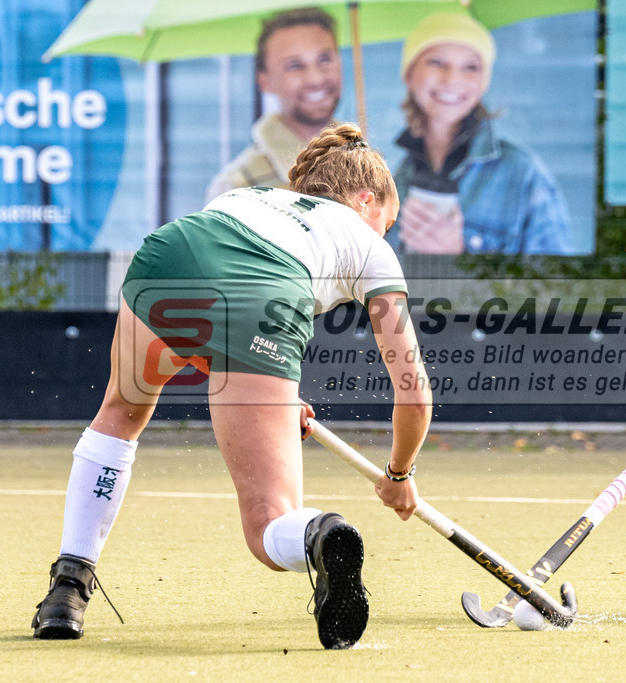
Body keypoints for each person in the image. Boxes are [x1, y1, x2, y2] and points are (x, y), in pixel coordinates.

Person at [31, 124, 433, 649]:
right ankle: (319, 533)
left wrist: (272, 394)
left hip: (168, 256)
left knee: (122, 412)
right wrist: (398, 473)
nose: (386, 234)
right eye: (388, 221)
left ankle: (68, 589)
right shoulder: (369, 249)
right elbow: (414, 391)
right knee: (269, 523)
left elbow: (211, 317)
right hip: (260, 298)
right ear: (365, 199)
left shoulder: (249, 195)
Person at [389, 12, 575, 256]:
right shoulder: (391, 179)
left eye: (470, 66)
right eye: (436, 62)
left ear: (483, 82)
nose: (452, 79)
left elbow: (560, 284)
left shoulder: (523, 174)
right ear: (409, 74)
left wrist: (458, 255)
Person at [205, 8, 342, 202]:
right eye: (294, 65)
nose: (315, 78)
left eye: (325, 59)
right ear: (264, 81)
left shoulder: (368, 165)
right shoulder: (237, 188)